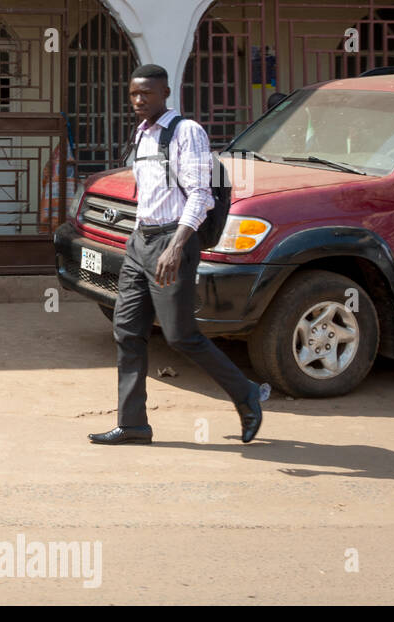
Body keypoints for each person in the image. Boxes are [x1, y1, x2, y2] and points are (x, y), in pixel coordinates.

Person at [88, 64, 263, 446]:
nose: (138, 101)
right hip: (141, 242)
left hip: (174, 243)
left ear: (166, 92)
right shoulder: (141, 133)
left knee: (181, 336)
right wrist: (136, 241)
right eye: (133, 94)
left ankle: (246, 393)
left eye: (146, 94)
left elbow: (200, 194)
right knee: (127, 331)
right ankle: (133, 424)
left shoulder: (187, 132)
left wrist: (177, 245)